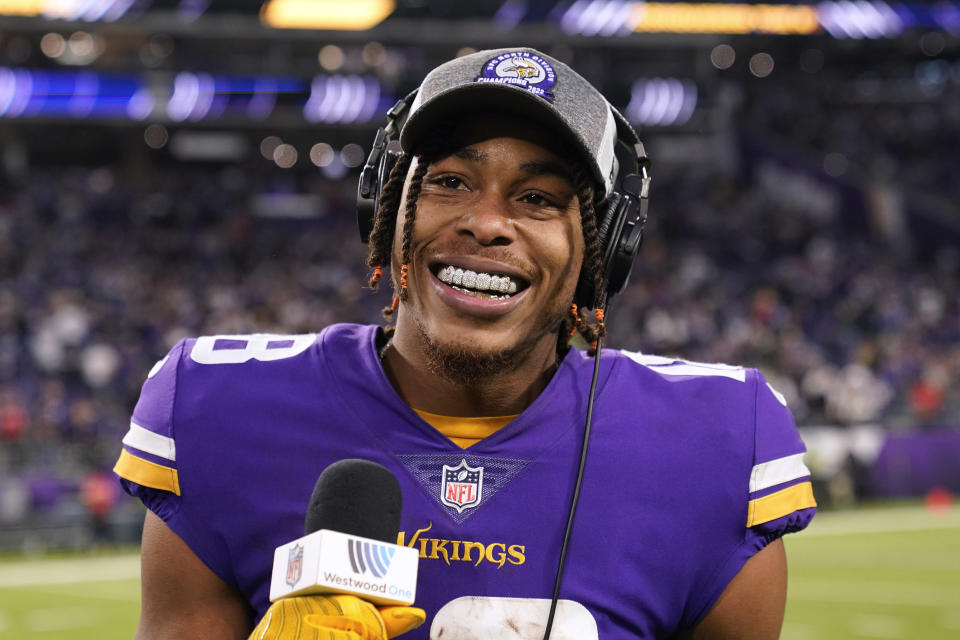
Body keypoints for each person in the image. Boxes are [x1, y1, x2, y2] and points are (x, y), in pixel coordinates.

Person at [114, 47, 816, 639]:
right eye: (450, 181)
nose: (486, 223)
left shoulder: (719, 438)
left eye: (538, 198)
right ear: (384, 212)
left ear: (606, 250)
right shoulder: (220, 408)